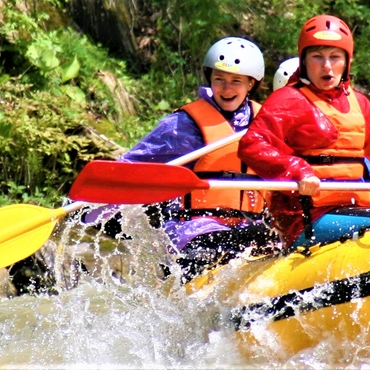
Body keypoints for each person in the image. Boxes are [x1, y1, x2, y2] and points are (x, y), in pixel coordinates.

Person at [89, 36, 281, 282]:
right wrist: (89, 206)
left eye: (236, 81)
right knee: (244, 239)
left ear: (251, 84)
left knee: (273, 236)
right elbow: (132, 167)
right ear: (209, 78)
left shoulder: (266, 122)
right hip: (194, 229)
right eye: (219, 79)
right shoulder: (183, 126)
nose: (226, 88)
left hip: (248, 225)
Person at [238, 14, 370, 252]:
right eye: (317, 56)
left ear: (347, 62)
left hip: (356, 208)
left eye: (335, 57)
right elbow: (252, 145)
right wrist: (297, 171)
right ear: (304, 60)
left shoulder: (361, 104)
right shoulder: (288, 99)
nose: (327, 66)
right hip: (308, 216)